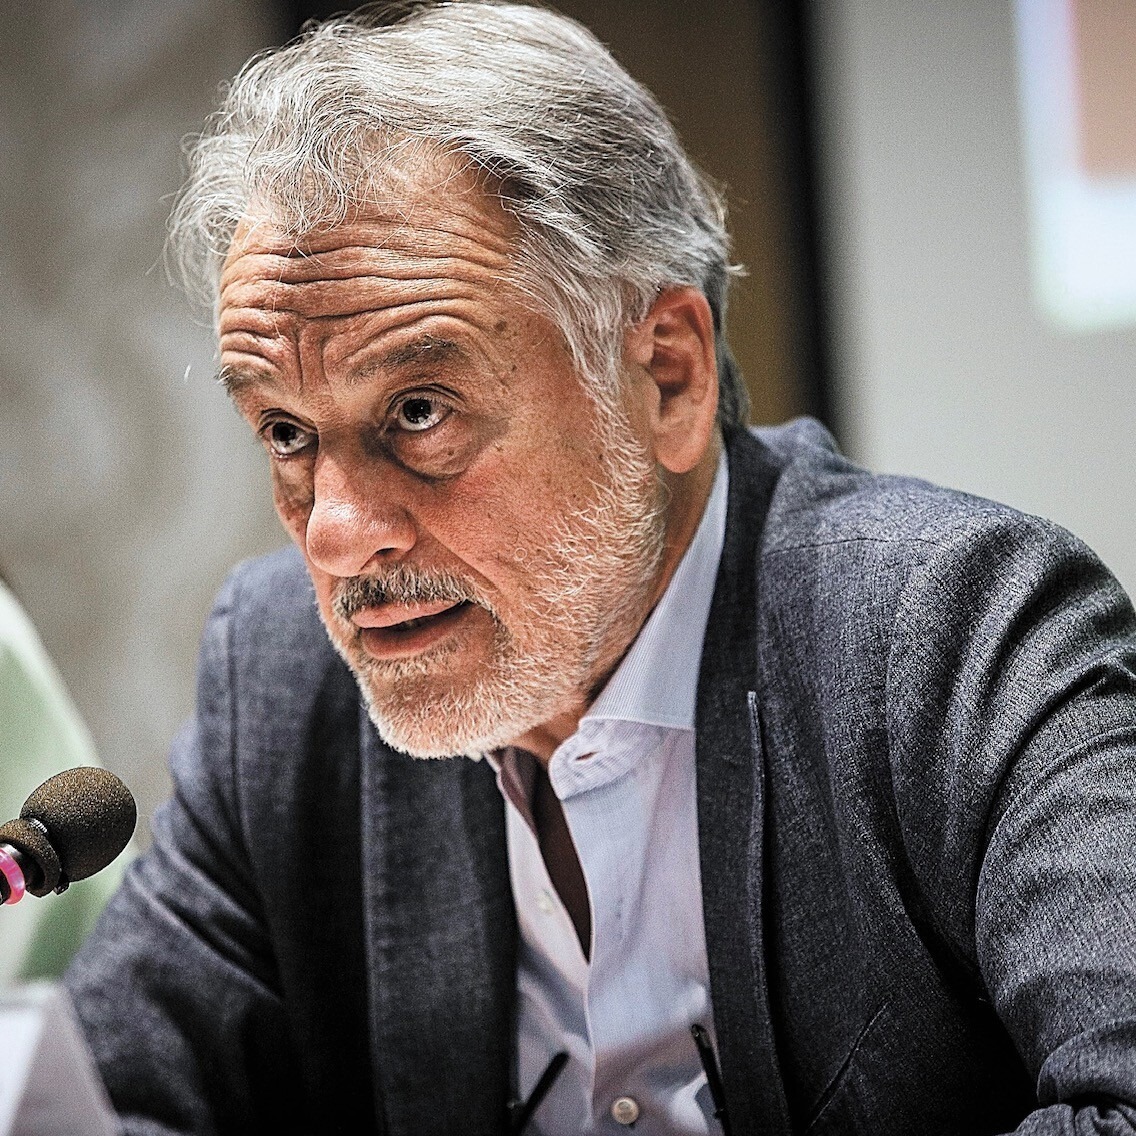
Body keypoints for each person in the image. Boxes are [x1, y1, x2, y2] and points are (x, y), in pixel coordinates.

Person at [64, 3, 1136, 1134]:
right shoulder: (282, 684)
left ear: (667, 377)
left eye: (418, 412)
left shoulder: (958, 631)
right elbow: (98, 1108)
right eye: (286, 432)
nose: (335, 535)